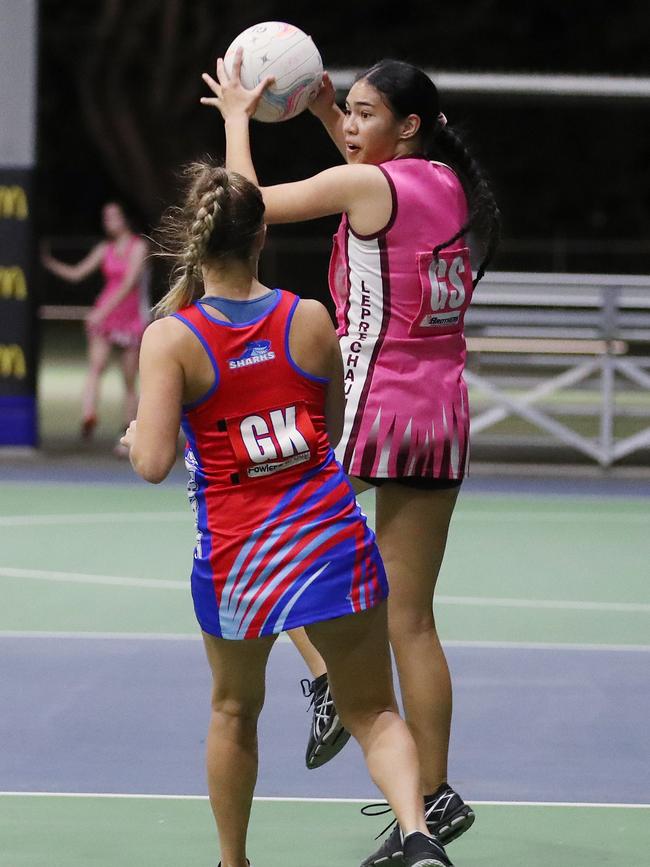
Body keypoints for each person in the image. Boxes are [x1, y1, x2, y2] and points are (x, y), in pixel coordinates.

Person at [201, 51, 501, 866]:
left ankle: (328, 678)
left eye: (367, 114)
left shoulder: (371, 186)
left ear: (406, 126)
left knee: (259, 533)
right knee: (412, 618)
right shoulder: (443, 181)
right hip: (441, 410)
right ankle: (432, 800)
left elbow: (247, 205)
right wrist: (327, 113)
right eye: (351, 112)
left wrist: (238, 116)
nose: (353, 126)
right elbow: (375, 179)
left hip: (374, 409)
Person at [120, 162, 456, 867]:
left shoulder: (173, 338)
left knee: (235, 711)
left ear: (196, 237)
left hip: (242, 558)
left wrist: (137, 438)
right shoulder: (307, 318)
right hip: (334, 542)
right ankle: (419, 835)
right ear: (263, 234)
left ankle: (234, 861)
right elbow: (329, 432)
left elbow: (151, 463)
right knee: (375, 712)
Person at [41, 201, 149, 448]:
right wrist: (47, 262)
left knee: (129, 379)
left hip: (129, 318)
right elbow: (77, 273)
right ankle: (88, 414)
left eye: (112, 216)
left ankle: (127, 430)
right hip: (105, 316)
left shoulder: (139, 247)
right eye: (105, 217)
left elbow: (129, 283)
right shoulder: (104, 248)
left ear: (125, 219)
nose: (108, 221)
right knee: (95, 368)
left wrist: (102, 312)